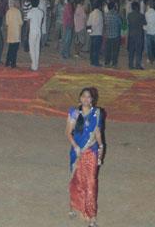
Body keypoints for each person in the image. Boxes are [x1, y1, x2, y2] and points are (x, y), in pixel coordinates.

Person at [66, 86, 104, 227]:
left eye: (89, 97)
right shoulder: (75, 113)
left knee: (91, 183)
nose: (86, 99)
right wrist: (76, 147)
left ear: (92, 100)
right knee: (76, 180)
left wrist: (101, 146)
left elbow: (97, 132)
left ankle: (91, 216)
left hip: (91, 151)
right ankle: (73, 206)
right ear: (80, 98)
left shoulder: (97, 113)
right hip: (77, 152)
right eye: (83, 96)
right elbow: (68, 132)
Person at [4, 0, 23, 68]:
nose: (19, 4)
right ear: (15, 4)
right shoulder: (18, 12)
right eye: (18, 3)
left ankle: (7, 62)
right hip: (16, 33)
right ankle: (13, 63)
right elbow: (20, 23)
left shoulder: (8, 11)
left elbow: (7, 23)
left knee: (10, 48)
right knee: (15, 50)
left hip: (10, 32)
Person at [103, 0, 122, 67]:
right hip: (115, 35)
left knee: (108, 50)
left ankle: (107, 62)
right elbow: (120, 24)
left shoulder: (106, 15)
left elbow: (105, 24)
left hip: (108, 35)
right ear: (114, 7)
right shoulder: (116, 15)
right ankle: (114, 63)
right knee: (115, 51)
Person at [126, 0, 145, 70]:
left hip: (131, 35)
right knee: (138, 51)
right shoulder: (141, 15)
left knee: (131, 51)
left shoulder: (129, 15)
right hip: (139, 35)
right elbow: (145, 23)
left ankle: (130, 65)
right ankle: (138, 65)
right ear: (137, 7)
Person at [27, 0, 44, 71]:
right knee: (37, 48)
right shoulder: (41, 12)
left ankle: (34, 65)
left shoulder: (30, 12)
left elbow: (28, 23)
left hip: (32, 31)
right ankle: (36, 64)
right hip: (38, 31)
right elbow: (42, 21)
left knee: (32, 49)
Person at [87, 0, 104, 67]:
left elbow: (88, 23)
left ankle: (92, 61)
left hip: (92, 34)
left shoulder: (91, 13)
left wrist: (90, 32)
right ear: (100, 6)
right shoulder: (99, 13)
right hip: (97, 33)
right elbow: (95, 23)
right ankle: (96, 62)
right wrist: (93, 31)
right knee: (96, 49)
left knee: (92, 48)